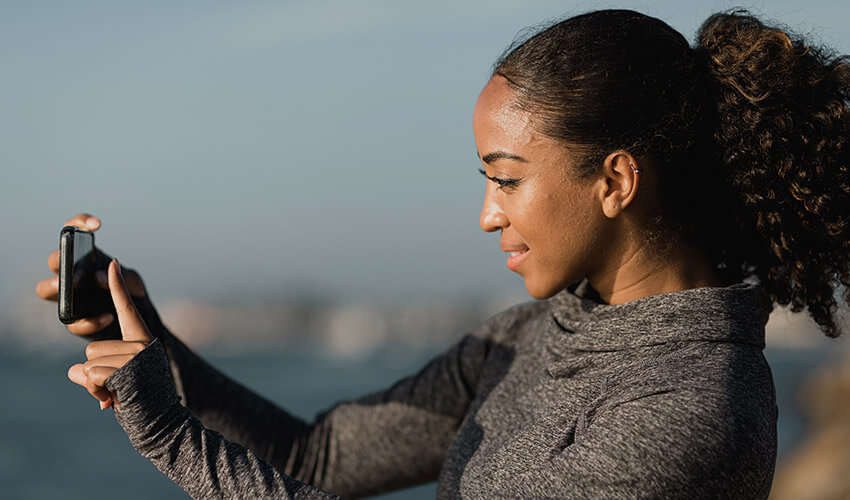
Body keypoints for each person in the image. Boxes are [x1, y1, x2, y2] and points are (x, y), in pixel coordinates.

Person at [36, 9, 850, 499]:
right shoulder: (527, 336)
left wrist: (169, 433)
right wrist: (150, 340)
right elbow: (313, 457)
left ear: (615, 180)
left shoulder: (688, 412)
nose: (488, 215)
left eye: (507, 179)